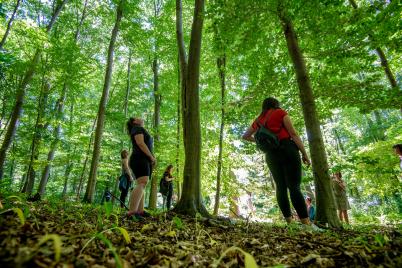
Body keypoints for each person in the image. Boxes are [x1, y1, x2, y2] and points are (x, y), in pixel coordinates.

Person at [242, 97, 314, 227]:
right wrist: (304, 153)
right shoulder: (280, 113)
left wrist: (260, 141)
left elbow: (245, 136)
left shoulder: (258, 120)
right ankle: (306, 224)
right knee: (294, 187)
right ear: (275, 104)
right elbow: (293, 133)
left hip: (271, 155)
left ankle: (289, 223)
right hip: (287, 150)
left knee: (280, 188)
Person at [126, 117, 156, 219]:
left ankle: (140, 211)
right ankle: (132, 212)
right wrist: (151, 157)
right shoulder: (137, 128)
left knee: (142, 183)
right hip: (140, 158)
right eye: (137, 117)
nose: (141, 117)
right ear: (134, 122)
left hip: (141, 159)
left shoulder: (137, 129)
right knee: (143, 182)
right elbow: (140, 143)